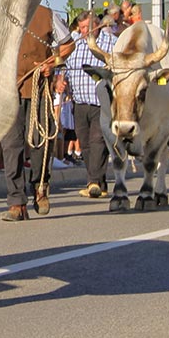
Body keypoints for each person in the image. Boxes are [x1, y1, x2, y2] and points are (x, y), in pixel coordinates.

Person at [0, 6, 73, 221]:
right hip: (10, 89)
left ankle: (40, 187)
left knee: (41, 141)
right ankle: (16, 201)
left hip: (40, 89)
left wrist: (52, 63)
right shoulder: (2, 12)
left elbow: (68, 44)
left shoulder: (48, 15)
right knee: (11, 145)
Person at [63, 10, 116, 198]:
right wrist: (63, 82)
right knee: (84, 144)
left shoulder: (110, 43)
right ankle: (99, 183)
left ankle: (92, 181)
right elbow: (67, 68)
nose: (85, 31)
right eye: (83, 27)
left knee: (97, 141)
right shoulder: (75, 44)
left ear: (97, 25)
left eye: (88, 27)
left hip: (100, 101)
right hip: (79, 102)